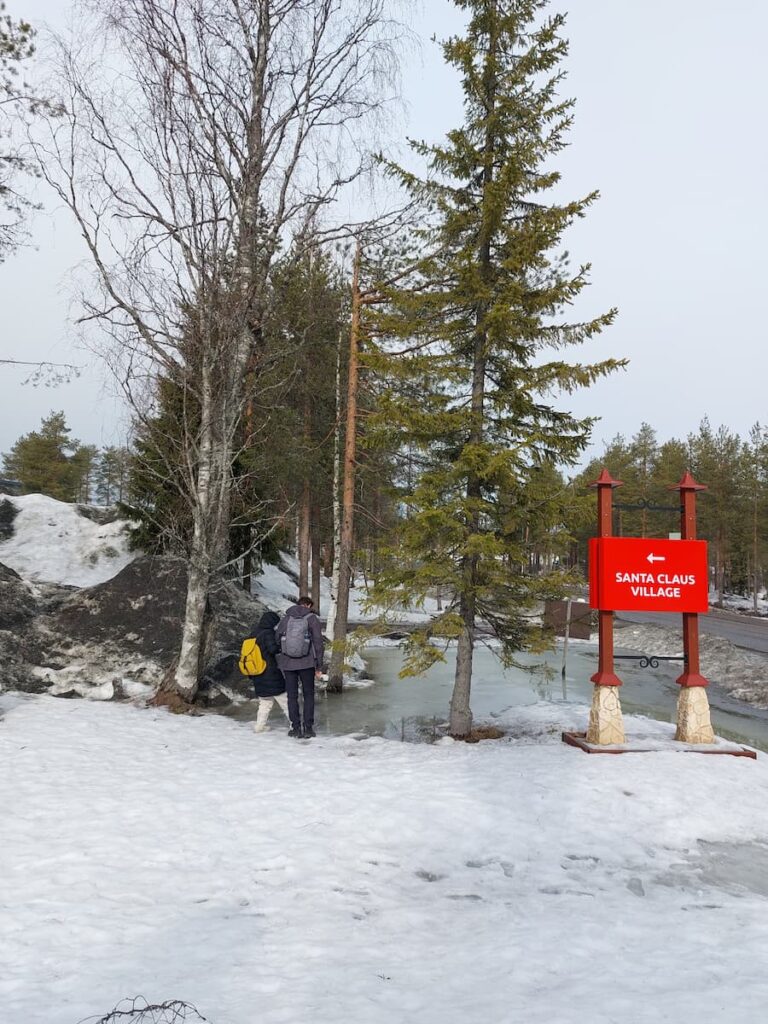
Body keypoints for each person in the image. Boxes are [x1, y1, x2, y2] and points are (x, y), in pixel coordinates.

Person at [276, 595, 324, 739]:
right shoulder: (311, 619)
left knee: (292, 696)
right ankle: (308, 728)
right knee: (308, 695)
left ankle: (295, 728)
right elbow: (318, 643)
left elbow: (277, 637)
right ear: (308, 606)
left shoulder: (286, 618)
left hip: (289, 664)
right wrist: (319, 665)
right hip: (307, 663)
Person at [250, 610, 290, 733]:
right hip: (270, 672)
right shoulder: (268, 633)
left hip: (257, 672)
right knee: (285, 701)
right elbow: (272, 650)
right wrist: (281, 646)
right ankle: (295, 725)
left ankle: (259, 727)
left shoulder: (253, 634)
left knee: (265, 702)